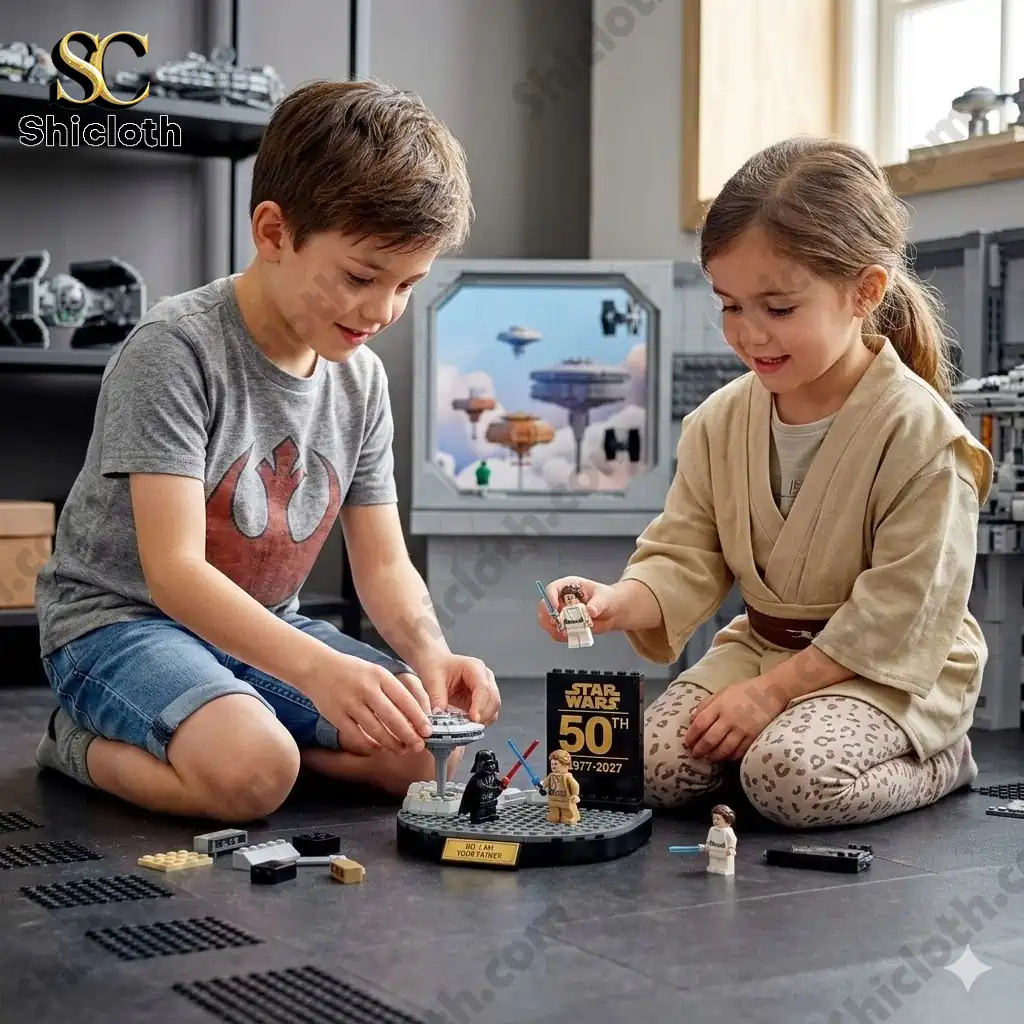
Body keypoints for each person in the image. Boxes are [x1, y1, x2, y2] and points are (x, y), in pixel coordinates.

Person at [33, 79, 500, 822]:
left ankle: (258, 744)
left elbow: (382, 563)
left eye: (407, 285)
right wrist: (319, 670)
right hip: (120, 624)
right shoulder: (176, 349)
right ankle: (79, 744)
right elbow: (176, 575)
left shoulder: (361, 380)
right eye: (360, 277)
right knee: (253, 773)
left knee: (432, 750)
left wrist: (430, 655)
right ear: (274, 232)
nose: (382, 312)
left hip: (263, 626)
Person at [537, 136, 992, 830]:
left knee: (788, 781)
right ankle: (777, 741)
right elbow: (685, 552)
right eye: (729, 306)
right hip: (766, 648)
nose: (750, 335)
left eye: (778, 308)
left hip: (890, 669)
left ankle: (940, 754)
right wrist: (614, 602)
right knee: (648, 767)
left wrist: (773, 696)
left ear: (864, 291)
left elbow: (899, 611)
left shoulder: (922, 435)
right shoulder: (720, 421)